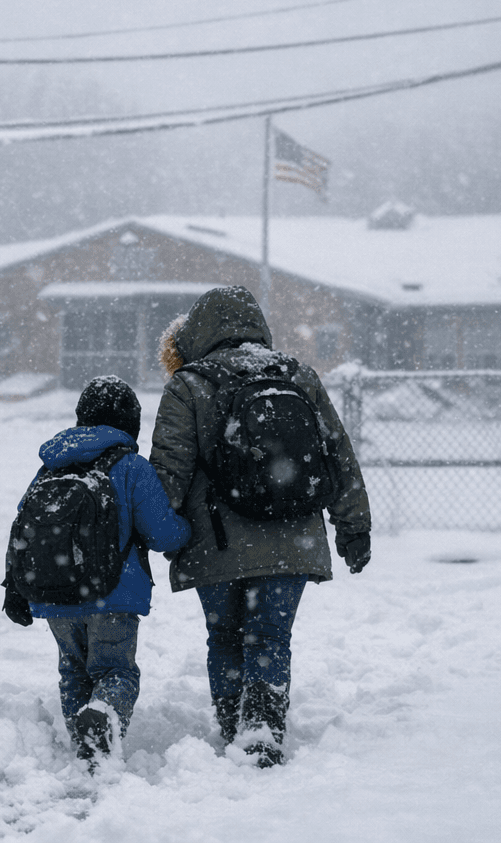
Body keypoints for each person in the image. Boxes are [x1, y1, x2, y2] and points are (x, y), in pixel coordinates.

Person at [149, 285, 371, 768]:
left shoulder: (189, 384)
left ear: (197, 331)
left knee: (225, 637)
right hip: (295, 537)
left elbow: (168, 472)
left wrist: (151, 535)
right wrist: (353, 526)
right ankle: (263, 731)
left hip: (215, 543)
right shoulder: (298, 375)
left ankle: (235, 729)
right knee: (270, 636)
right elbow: (339, 454)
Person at [3, 375, 191, 766]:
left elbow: (23, 525)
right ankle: (102, 722)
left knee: (73, 673)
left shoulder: (51, 466)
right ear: (131, 423)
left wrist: (15, 587)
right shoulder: (132, 467)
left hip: (54, 594)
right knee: (116, 671)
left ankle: (84, 748)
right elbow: (162, 534)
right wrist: (189, 529)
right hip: (113, 596)